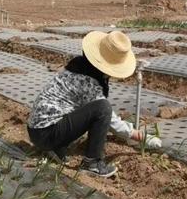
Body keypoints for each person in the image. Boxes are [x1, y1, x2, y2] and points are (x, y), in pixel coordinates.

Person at [27, 31, 161, 178]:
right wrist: (140, 136)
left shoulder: (78, 66)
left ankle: (57, 147)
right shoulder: (87, 82)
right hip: (46, 133)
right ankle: (92, 163)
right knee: (102, 109)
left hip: (37, 129)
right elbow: (111, 121)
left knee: (94, 108)